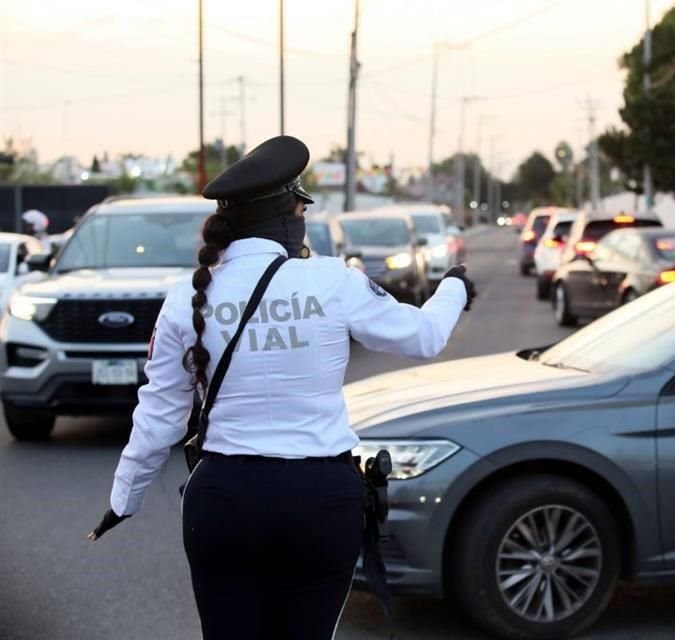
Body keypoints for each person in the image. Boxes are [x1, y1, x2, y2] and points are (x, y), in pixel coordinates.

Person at [87, 135, 476, 639]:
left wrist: (124, 500)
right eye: (301, 206)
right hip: (321, 502)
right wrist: (454, 287)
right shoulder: (334, 280)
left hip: (224, 500)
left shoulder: (185, 298)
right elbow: (424, 337)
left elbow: (158, 416)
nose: (304, 216)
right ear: (287, 215)